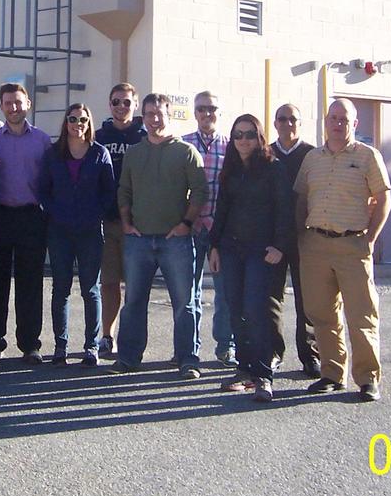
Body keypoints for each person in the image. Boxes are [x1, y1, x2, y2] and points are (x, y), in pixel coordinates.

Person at [294, 98, 391, 402]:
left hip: (353, 245)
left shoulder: (368, 156)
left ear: (354, 124)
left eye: (344, 119)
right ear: (326, 121)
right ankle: (332, 374)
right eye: (333, 118)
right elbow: (301, 199)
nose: (338, 123)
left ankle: (368, 379)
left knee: (362, 315)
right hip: (315, 246)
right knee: (322, 314)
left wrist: (370, 238)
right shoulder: (312, 158)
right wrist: (302, 237)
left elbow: (384, 199)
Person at [114, 93, 207, 378]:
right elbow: (124, 190)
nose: (155, 119)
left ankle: (187, 359)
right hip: (138, 240)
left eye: (160, 113)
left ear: (169, 115)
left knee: (184, 303)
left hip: (175, 240)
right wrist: (126, 223)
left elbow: (200, 192)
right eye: (149, 114)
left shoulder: (186, 152)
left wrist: (185, 224)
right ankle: (128, 358)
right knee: (133, 302)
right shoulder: (134, 153)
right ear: (143, 117)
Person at [208, 114, 296, 402]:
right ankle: (243, 370)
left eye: (248, 134)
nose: (243, 140)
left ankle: (263, 376)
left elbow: (285, 210)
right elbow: (222, 210)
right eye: (238, 135)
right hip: (232, 250)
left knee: (257, 311)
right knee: (236, 310)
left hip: (261, 252)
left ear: (259, 137)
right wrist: (214, 246)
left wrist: (279, 246)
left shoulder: (273, 168)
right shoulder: (231, 168)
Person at [0, 83, 52, 364]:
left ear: (28, 104)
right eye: (8, 103)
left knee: (30, 283)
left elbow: (50, 181)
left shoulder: (42, 141)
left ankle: (30, 344)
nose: (14, 107)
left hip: (31, 217)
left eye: (18, 102)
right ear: (1, 106)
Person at [39, 103, 115, 366]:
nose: (77, 124)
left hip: (89, 231)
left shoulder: (99, 153)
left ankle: (91, 346)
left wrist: (95, 213)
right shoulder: (53, 154)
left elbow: (108, 191)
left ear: (89, 123)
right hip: (59, 230)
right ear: (66, 122)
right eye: (72, 119)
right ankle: (60, 347)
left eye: (83, 120)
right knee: (60, 288)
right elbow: (43, 190)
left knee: (90, 289)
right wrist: (55, 211)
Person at [182, 90, 234, 366]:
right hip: (190, 228)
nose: (207, 113)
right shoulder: (183, 144)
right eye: (201, 108)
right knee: (189, 293)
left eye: (212, 108)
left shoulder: (231, 147)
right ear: (195, 113)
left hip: (220, 230)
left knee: (224, 292)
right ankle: (188, 349)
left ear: (219, 112)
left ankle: (226, 347)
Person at [94, 82, 145, 356]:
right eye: (116, 102)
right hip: (106, 220)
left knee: (135, 286)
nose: (121, 107)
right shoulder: (99, 136)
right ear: (109, 104)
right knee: (109, 282)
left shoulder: (144, 137)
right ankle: (106, 336)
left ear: (135, 104)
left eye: (126, 102)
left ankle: (131, 339)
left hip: (137, 223)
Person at [270, 103, 320, 379]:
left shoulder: (313, 155)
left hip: (305, 238)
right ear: (275, 123)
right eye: (282, 119)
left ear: (300, 123)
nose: (287, 123)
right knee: (271, 298)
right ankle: (273, 353)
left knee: (307, 299)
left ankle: (310, 355)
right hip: (274, 239)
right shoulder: (266, 153)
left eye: (293, 119)